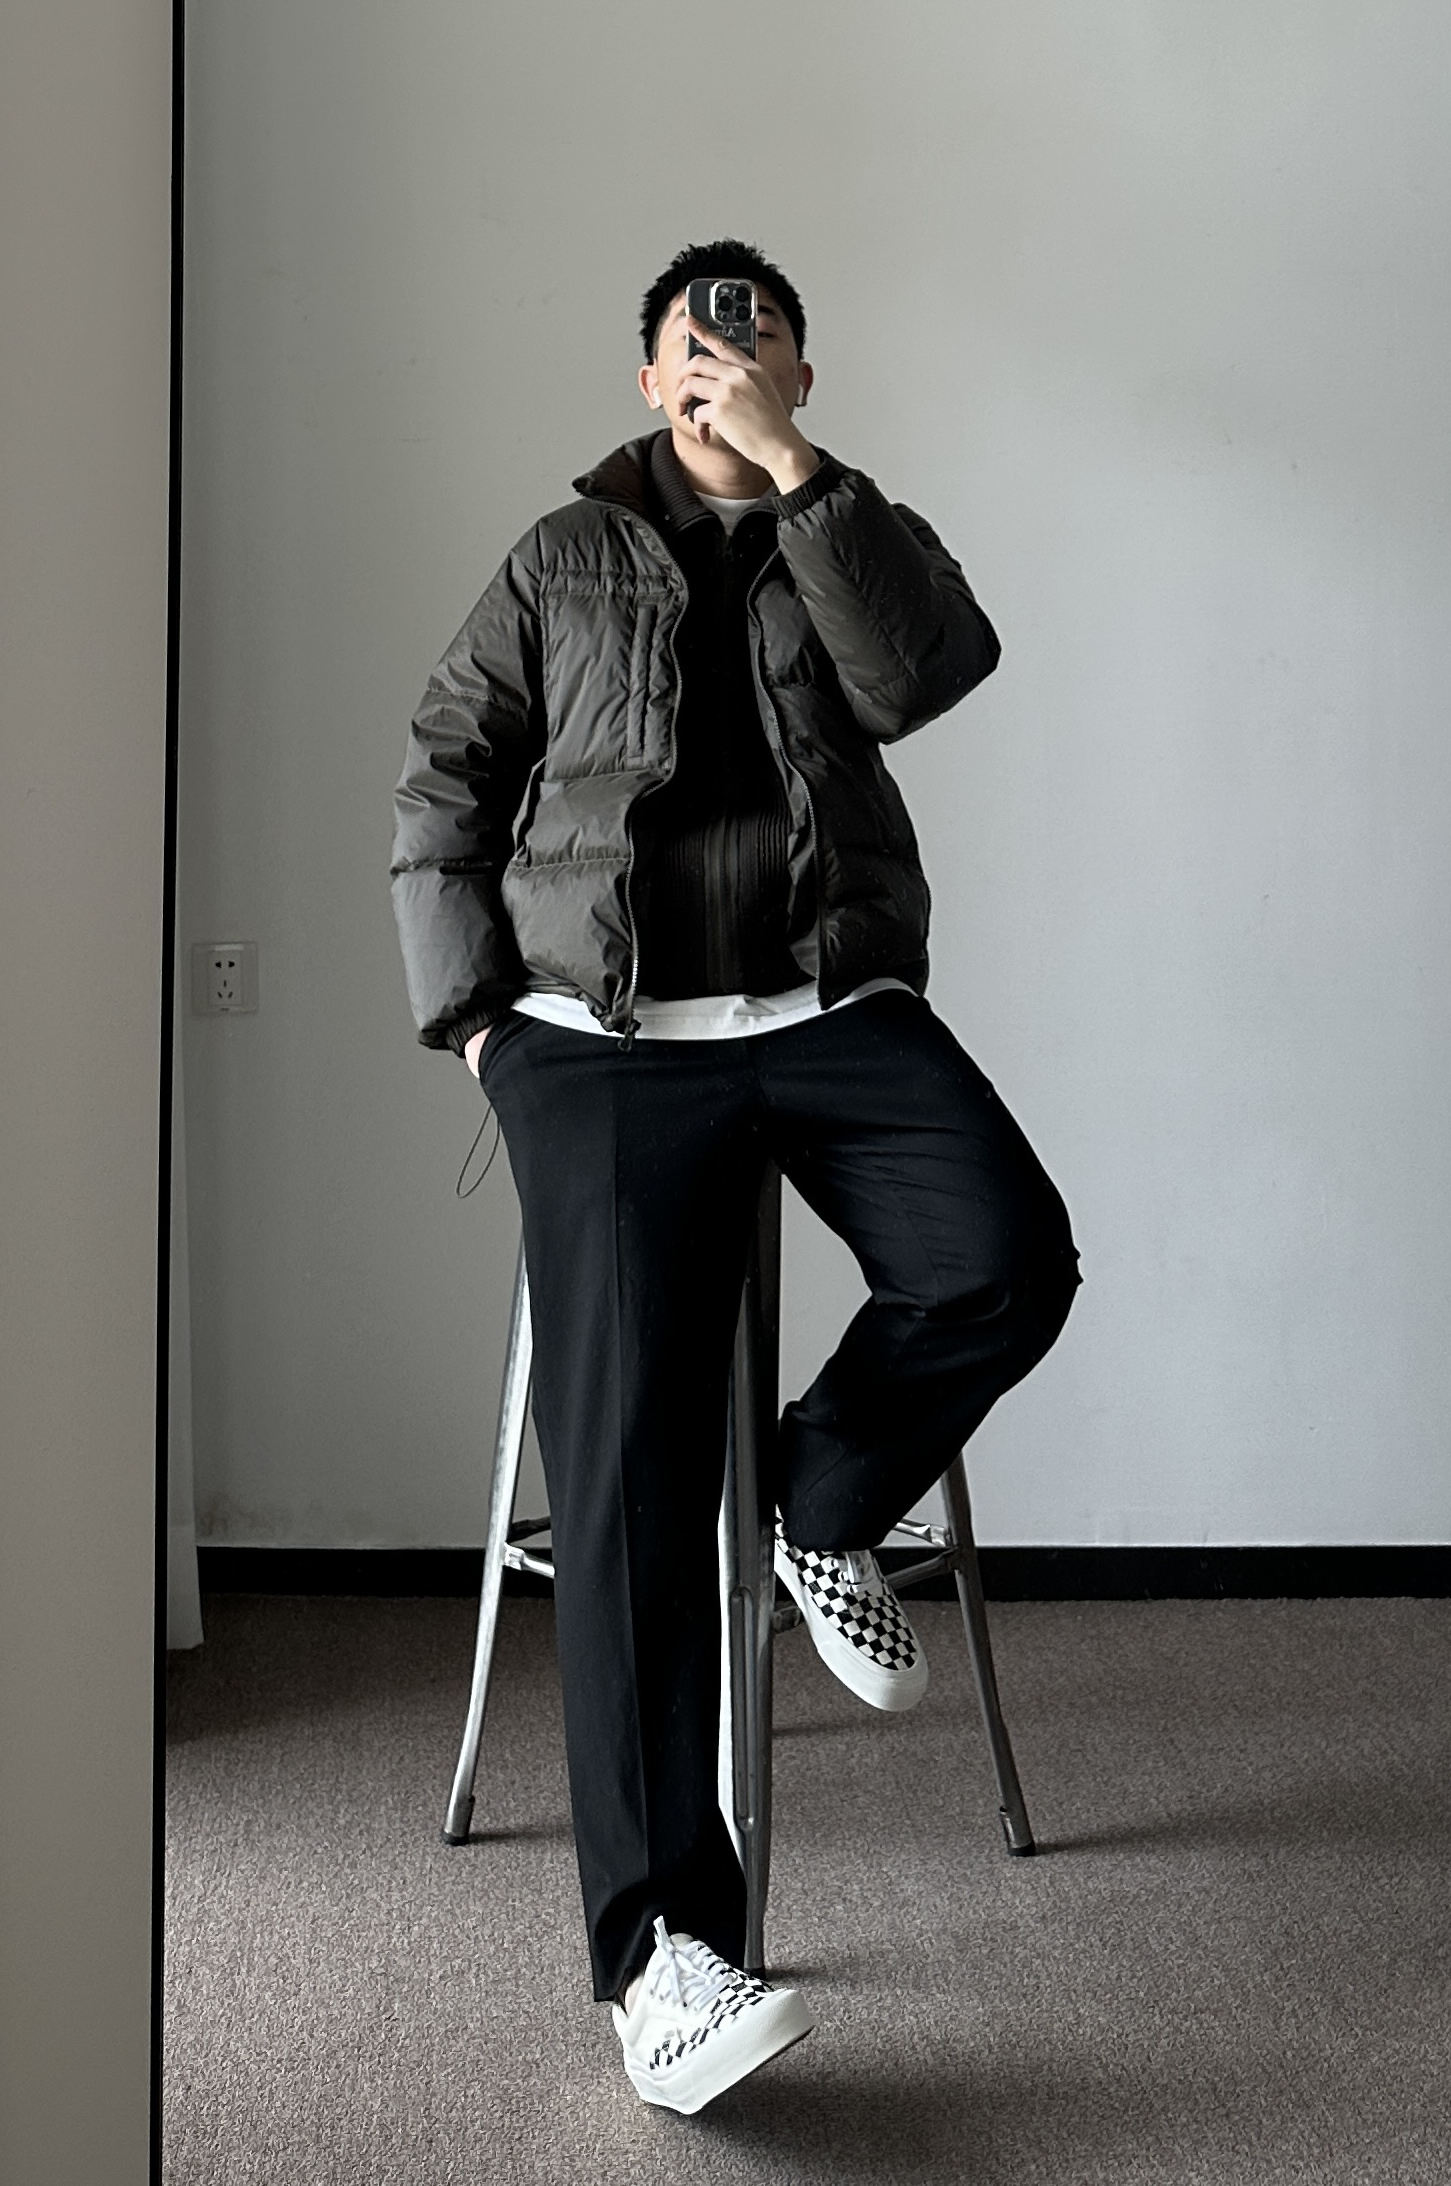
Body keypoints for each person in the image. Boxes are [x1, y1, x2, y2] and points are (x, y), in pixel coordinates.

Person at [391, 238, 1081, 2116]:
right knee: (624, 1476)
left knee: (1005, 1253)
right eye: (695, 338)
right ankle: (661, 1960)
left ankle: (817, 1496)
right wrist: (476, 1018)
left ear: (796, 369)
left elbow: (927, 673)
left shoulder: (844, 525)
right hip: (600, 1037)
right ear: (645, 378)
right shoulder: (556, 557)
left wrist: (797, 475)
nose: (725, 354)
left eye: (757, 333)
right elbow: (443, 776)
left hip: (823, 1003)